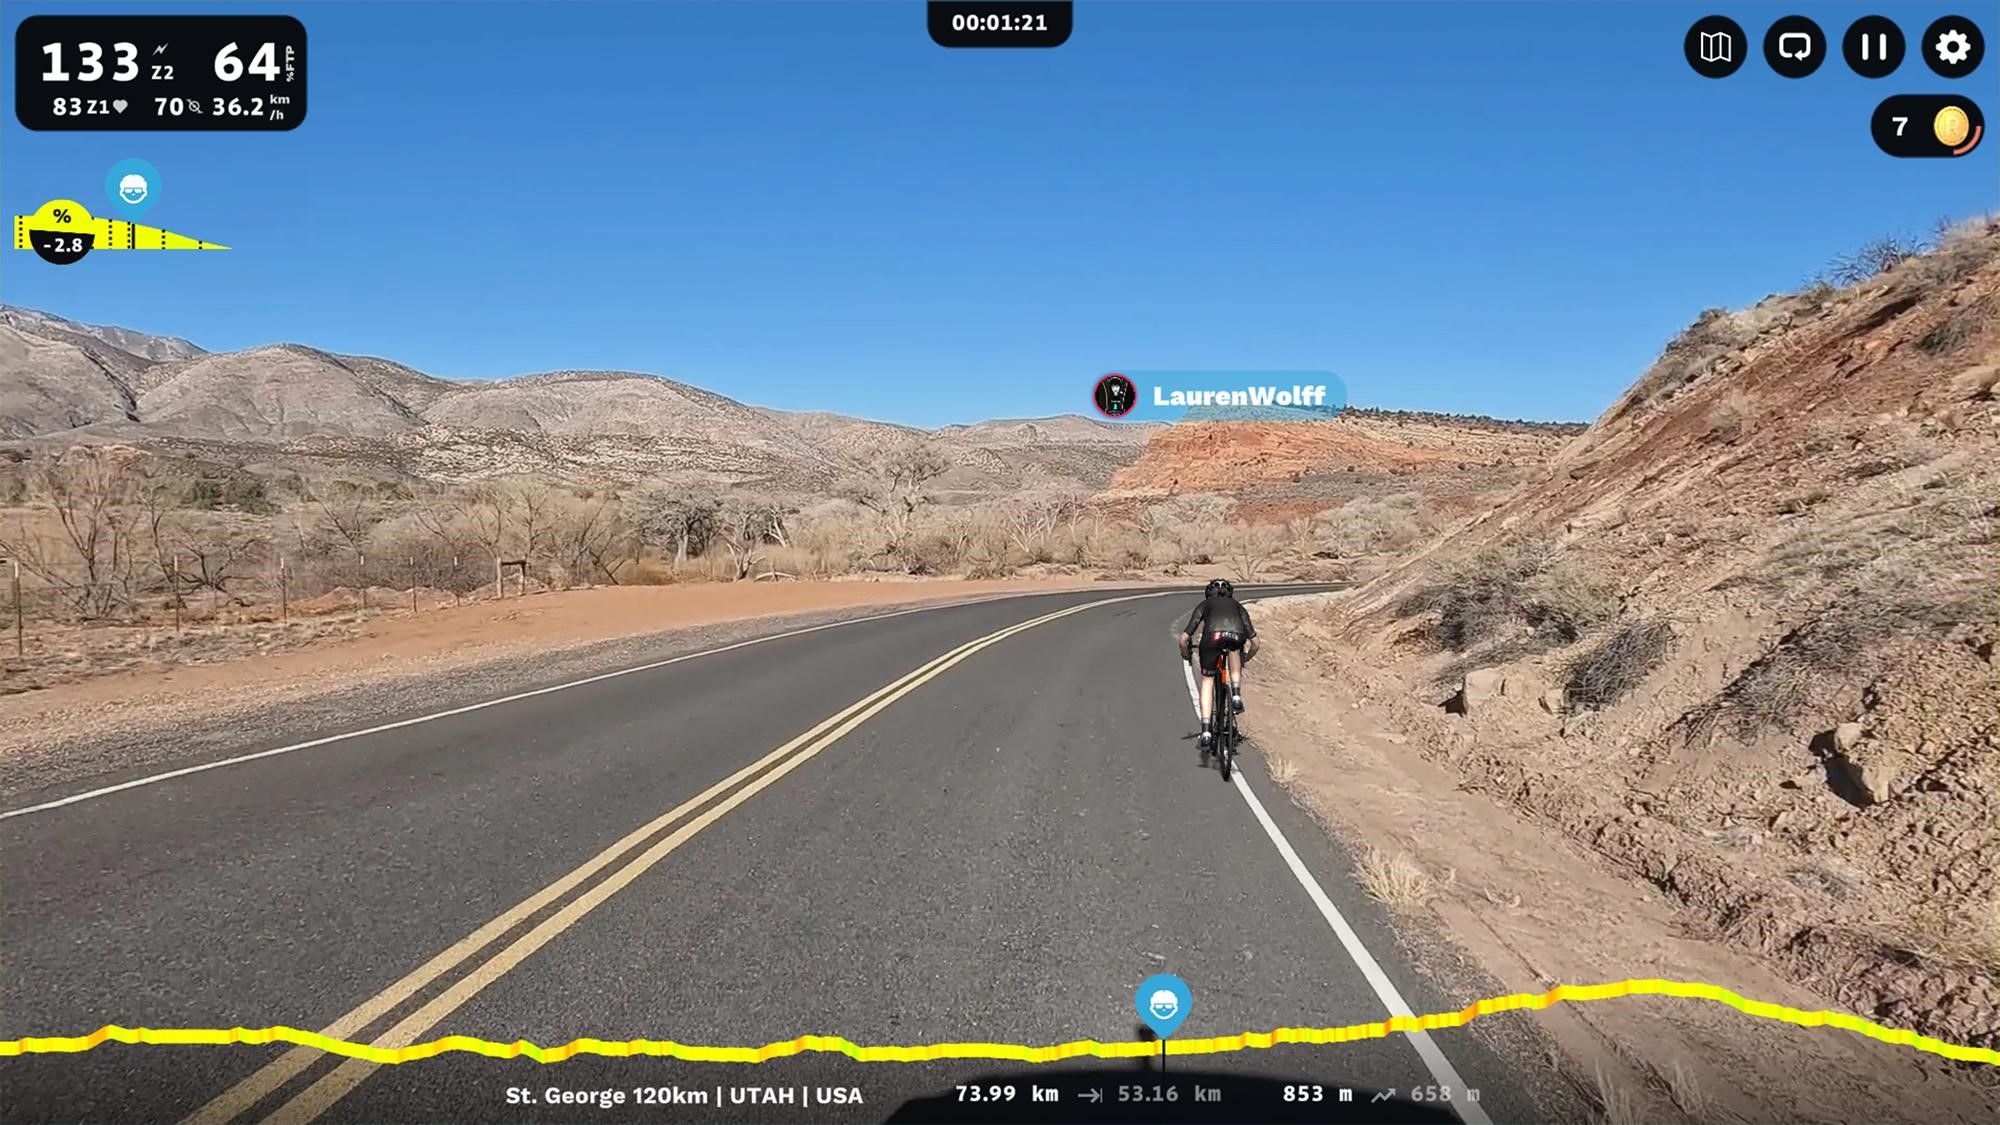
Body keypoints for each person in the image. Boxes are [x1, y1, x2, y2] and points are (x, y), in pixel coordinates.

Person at [1179, 578, 1258, 748]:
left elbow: (1184, 638)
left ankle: (1206, 730)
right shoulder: (1238, 606)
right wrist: (1247, 658)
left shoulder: (1204, 605)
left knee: (1208, 680)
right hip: (1236, 636)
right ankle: (1236, 694)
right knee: (1235, 651)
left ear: (1208, 594)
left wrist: (1186, 654)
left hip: (1211, 639)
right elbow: (1256, 642)